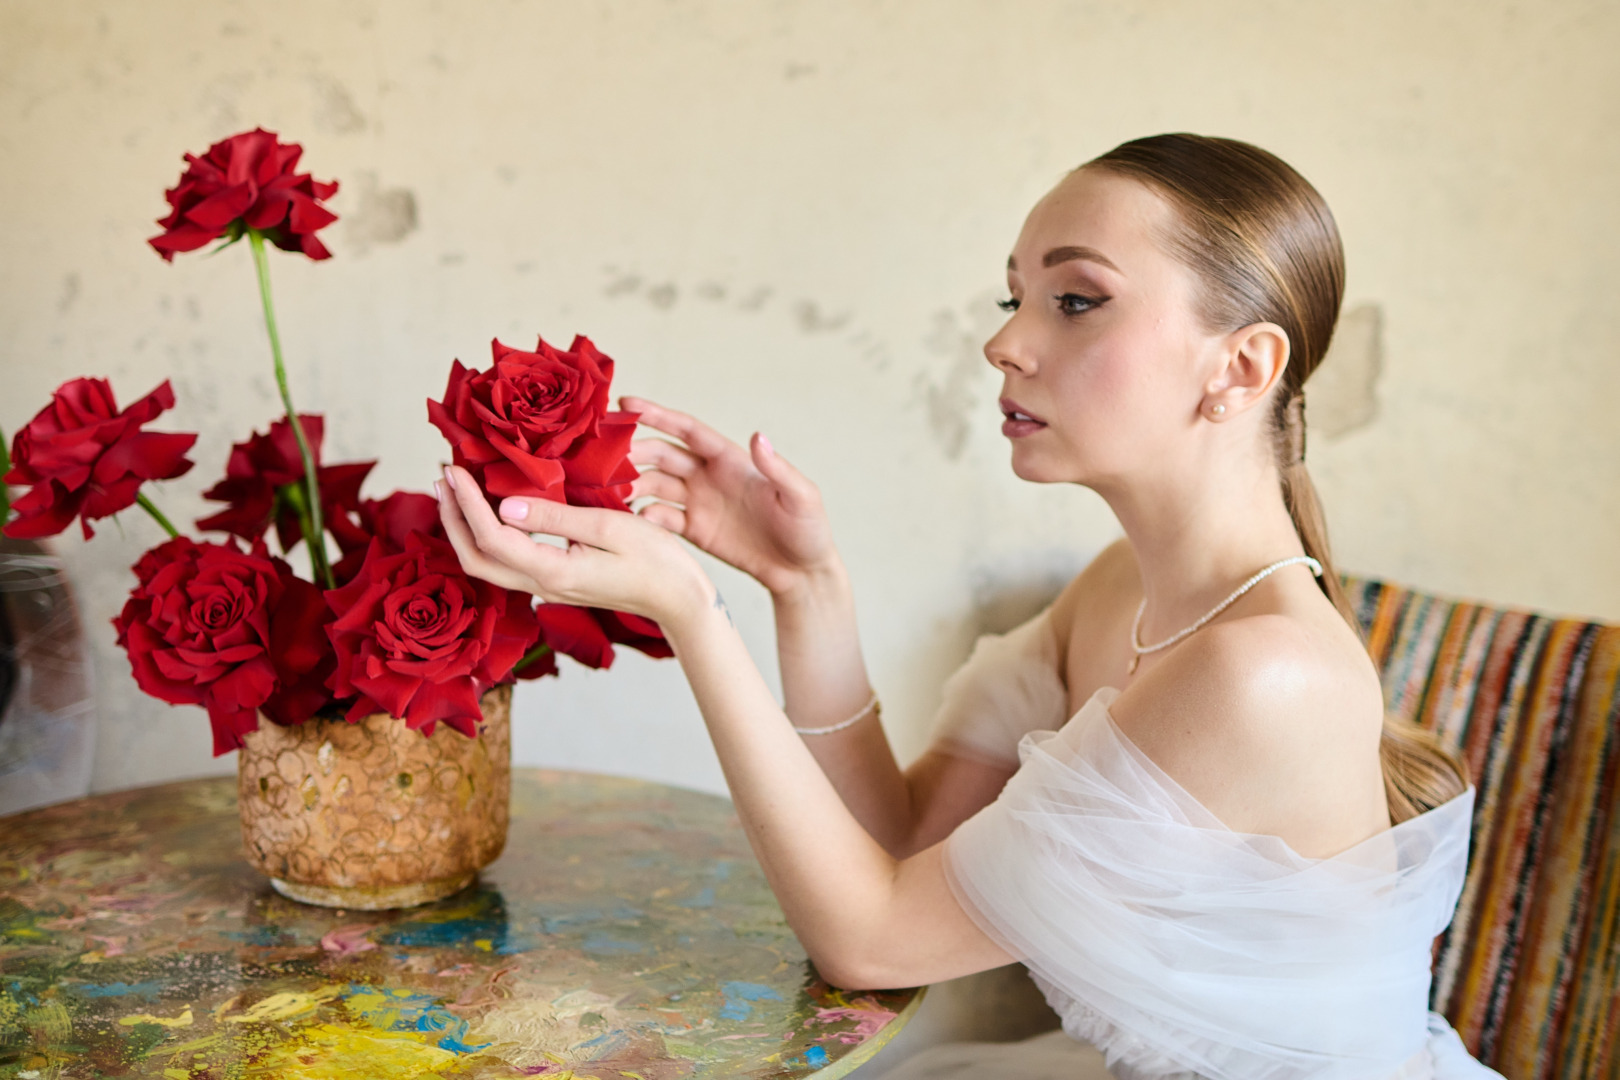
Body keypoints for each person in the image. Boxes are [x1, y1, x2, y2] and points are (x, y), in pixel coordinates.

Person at [436, 134, 1505, 1079]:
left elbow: (871, 939)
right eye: (1015, 299)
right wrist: (808, 590)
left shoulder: (1261, 674)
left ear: (1242, 366)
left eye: (1075, 300)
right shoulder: (1123, 590)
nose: (1004, 343)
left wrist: (690, 613)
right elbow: (899, 847)